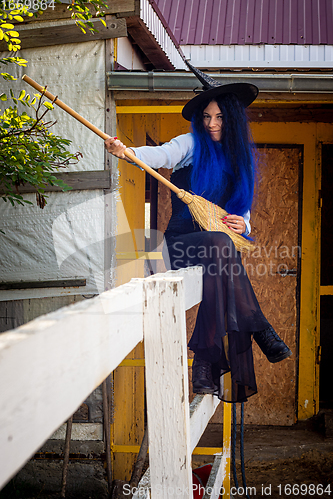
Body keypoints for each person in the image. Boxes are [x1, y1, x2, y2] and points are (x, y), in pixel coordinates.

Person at [104, 64, 292, 403]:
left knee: (222, 258)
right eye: (206, 117)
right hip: (178, 246)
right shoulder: (190, 143)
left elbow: (242, 214)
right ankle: (259, 326)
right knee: (221, 247)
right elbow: (160, 155)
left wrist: (243, 225)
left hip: (218, 248)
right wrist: (128, 153)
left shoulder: (240, 160)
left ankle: (204, 365)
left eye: (219, 117)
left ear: (232, 118)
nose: (212, 124)